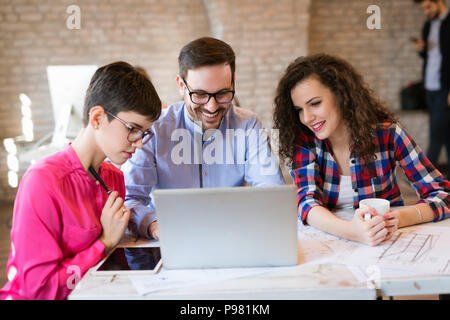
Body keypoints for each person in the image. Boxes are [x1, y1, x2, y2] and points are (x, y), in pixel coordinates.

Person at [0, 62, 162, 300]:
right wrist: (104, 243)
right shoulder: (43, 182)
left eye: (144, 133)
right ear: (96, 118)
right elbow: (39, 289)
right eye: (133, 129)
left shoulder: (114, 177)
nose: (139, 143)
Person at [273, 54, 450, 246]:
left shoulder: (388, 134)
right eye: (299, 109)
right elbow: (307, 202)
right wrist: (351, 232)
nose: (306, 118)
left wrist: (399, 217)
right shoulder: (304, 141)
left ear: (342, 96)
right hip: (333, 244)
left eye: (315, 103)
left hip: (387, 242)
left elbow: (443, 194)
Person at [122, 37, 285, 240]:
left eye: (223, 93)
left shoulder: (249, 126)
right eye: (199, 95)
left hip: (233, 237)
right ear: (181, 85)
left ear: (233, 83)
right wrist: (155, 226)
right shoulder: (155, 130)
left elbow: (273, 194)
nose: (212, 107)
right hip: (170, 241)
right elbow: (130, 199)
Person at [412, 0, 450, 178]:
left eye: (428, 7)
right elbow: (430, 56)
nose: (426, 11)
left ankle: (423, 176)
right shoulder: (428, 25)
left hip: (445, 88)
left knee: (436, 133)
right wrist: (422, 49)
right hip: (430, 86)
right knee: (446, 132)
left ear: (439, 1)